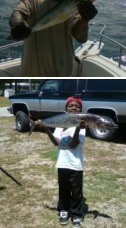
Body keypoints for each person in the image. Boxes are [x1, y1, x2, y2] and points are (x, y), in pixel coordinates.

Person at [9, 0, 98, 76]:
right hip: (31, 75)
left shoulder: (73, 7)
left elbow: (81, 38)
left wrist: (84, 20)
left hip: (63, 76)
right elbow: (17, 13)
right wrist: (17, 24)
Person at [36, 96, 86, 227]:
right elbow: (56, 142)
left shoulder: (82, 126)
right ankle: (63, 210)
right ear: (65, 109)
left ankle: (76, 214)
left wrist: (78, 128)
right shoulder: (60, 125)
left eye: (77, 106)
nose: (74, 108)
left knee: (76, 192)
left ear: (81, 110)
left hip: (76, 165)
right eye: (71, 106)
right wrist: (46, 128)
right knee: (63, 189)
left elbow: (74, 144)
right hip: (62, 163)